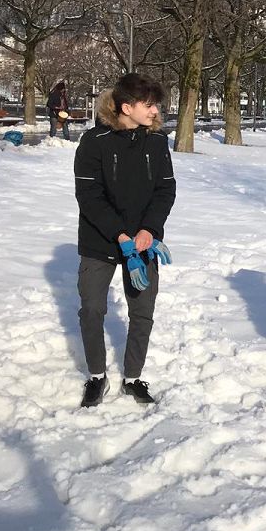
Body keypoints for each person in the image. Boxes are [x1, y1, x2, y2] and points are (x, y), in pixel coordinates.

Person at [73, 74, 176, 408]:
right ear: (127, 107)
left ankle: (133, 377)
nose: (155, 111)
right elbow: (89, 196)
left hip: (143, 243)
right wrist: (120, 235)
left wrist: (149, 231)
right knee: (92, 310)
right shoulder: (94, 141)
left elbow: (165, 190)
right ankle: (96, 376)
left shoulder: (157, 142)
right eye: (149, 104)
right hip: (100, 240)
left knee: (142, 311)